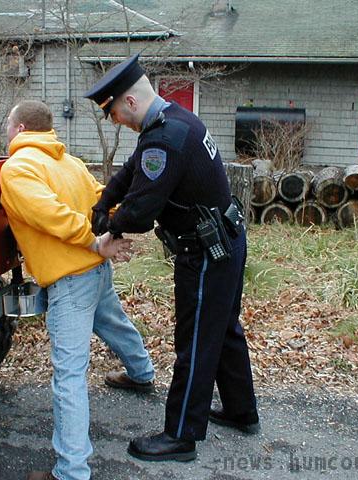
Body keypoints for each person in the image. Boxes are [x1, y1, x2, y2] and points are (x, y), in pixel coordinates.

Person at [84, 55, 260, 462]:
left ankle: (181, 435)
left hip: (204, 252)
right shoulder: (176, 119)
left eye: (112, 113)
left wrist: (105, 226)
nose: (114, 122)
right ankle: (240, 410)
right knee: (223, 328)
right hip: (228, 241)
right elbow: (132, 171)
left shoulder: (164, 139)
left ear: (128, 102)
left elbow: (142, 212)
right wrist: (104, 200)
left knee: (195, 340)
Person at [0, 100, 155, 480]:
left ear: (20, 129)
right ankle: (141, 372)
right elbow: (102, 198)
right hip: (95, 273)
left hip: (72, 277)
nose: (6, 129)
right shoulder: (69, 162)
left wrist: (95, 241)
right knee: (113, 321)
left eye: (7, 123)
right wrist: (111, 233)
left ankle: (70, 472)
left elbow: (52, 214)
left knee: (68, 376)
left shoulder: (17, 168)